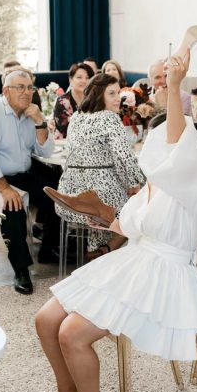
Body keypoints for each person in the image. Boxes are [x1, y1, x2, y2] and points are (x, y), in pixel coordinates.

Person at [35, 49, 197, 392]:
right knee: (45, 319)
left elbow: (179, 137)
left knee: (72, 334)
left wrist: (174, 84)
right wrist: (96, 212)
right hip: (134, 259)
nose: (157, 146)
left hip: (163, 274)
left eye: (165, 141)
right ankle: (68, 389)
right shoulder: (154, 185)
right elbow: (126, 226)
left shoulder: (194, 184)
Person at [0, 68, 59, 294]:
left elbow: (45, 151)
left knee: (55, 193)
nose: (26, 92)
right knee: (12, 205)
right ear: (5, 91)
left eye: (30, 88)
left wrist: (40, 122)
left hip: (19, 173)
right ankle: (21, 269)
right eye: (20, 88)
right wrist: (5, 189)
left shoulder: (30, 114)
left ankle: (48, 249)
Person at [53, 72, 144, 259]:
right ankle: (105, 255)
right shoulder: (109, 118)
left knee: (111, 206)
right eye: (111, 93)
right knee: (141, 209)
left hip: (68, 198)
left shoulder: (76, 117)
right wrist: (136, 185)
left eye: (118, 93)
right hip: (99, 198)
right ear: (98, 94)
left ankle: (98, 254)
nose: (118, 98)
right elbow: (124, 157)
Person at [53, 63, 94, 139]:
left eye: (87, 78)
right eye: (79, 77)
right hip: (65, 142)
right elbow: (65, 130)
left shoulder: (95, 100)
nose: (84, 81)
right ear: (71, 80)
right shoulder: (62, 102)